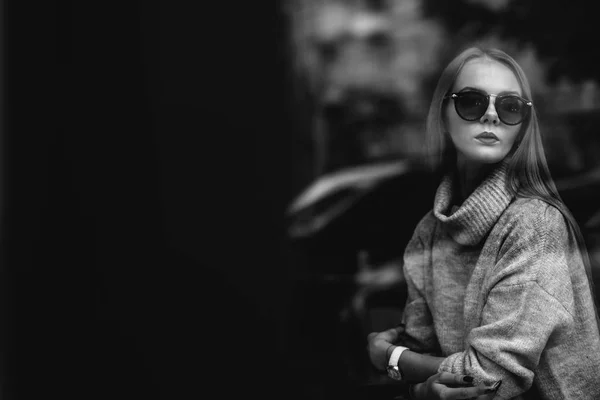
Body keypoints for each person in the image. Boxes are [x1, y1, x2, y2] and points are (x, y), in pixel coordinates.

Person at [366, 46, 600, 399]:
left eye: (509, 107)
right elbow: (427, 363)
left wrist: (389, 357)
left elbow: (491, 379)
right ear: (444, 114)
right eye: (472, 102)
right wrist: (423, 385)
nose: (491, 116)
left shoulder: (535, 225)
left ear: (521, 128)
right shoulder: (428, 233)